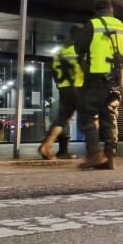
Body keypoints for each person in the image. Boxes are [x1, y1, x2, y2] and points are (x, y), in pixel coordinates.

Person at [75, 0, 123, 170]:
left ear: (96, 11)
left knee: (87, 114)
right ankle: (110, 157)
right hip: (117, 78)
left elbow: (79, 47)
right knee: (110, 117)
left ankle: (94, 154)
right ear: (111, 9)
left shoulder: (93, 24)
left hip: (97, 76)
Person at [38, 25, 84, 160]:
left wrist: (60, 83)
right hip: (78, 87)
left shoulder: (60, 51)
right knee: (92, 116)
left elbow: (53, 70)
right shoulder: (78, 51)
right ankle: (96, 151)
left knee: (63, 118)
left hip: (64, 87)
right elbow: (85, 69)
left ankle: (46, 145)